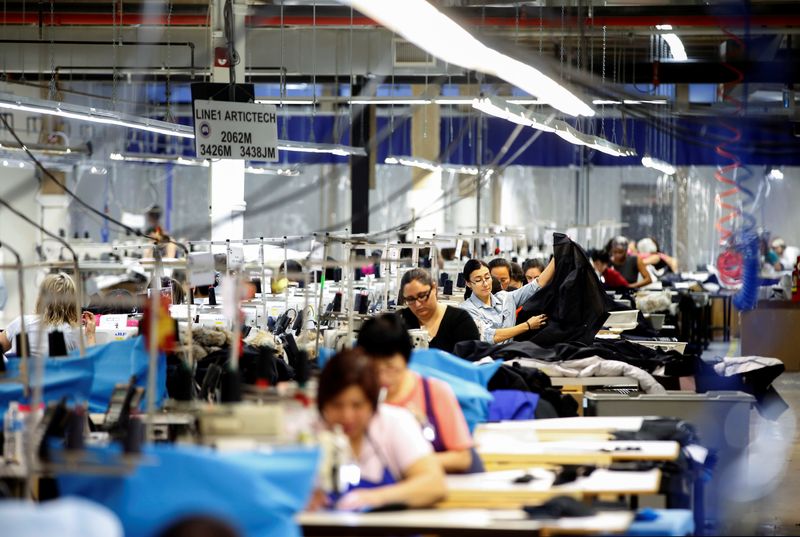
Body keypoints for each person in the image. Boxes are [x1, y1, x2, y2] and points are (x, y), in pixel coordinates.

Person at [315, 349, 446, 511]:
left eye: (357, 405)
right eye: (336, 405)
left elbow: (434, 484)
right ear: (323, 403)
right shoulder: (310, 431)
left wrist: (375, 497)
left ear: (372, 403)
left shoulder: (395, 422)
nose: (347, 416)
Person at [357, 314, 479, 474]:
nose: (382, 376)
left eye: (390, 366)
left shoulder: (435, 392)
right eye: (373, 368)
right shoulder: (360, 398)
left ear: (405, 357)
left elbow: (463, 458)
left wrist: (410, 461)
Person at [460, 258, 554, 344]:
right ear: (468, 283)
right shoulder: (466, 310)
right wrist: (527, 325)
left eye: (487, 277)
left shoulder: (506, 298)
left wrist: (558, 254)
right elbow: (489, 336)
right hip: (486, 359)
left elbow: (537, 285)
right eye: (478, 280)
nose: (485, 283)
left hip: (507, 355)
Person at [0, 273, 95, 358]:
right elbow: (92, 365)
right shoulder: (72, 332)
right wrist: (90, 335)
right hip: (56, 377)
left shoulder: (21, 323)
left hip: (20, 376)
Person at [398, 268, 479, 354]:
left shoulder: (461, 321)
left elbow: (473, 363)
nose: (417, 304)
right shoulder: (399, 321)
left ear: (434, 288)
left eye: (422, 296)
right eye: (410, 299)